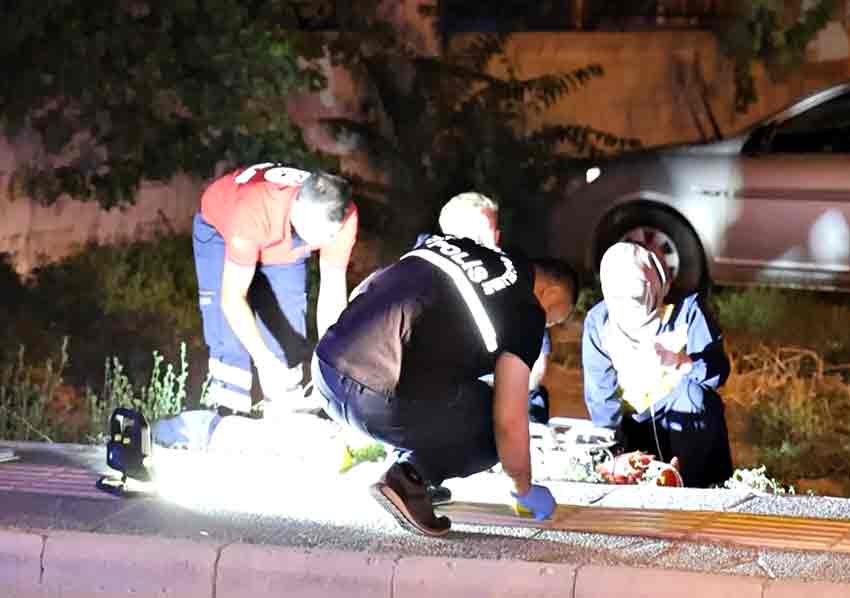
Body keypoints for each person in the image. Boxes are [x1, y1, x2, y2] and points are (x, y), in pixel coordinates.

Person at [312, 233, 577, 536]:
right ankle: (410, 477)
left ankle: (417, 474)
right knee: (491, 422)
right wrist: (523, 488)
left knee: (446, 381)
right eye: (554, 319)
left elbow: (370, 288)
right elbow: (509, 419)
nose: (547, 326)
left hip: (326, 373)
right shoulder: (527, 310)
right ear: (551, 292)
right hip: (381, 398)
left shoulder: (451, 245)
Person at [193, 162, 358, 416]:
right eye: (318, 235)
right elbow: (232, 299)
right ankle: (228, 409)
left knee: (287, 333)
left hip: (282, 239)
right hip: (222, 230)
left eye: (329, 236)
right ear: (299, 210)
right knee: (229, 336)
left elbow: (332, 294)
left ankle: (286, 409)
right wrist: (264, 359)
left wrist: (334, 364)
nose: (324, 243)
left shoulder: (342, 218)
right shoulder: (252, 211)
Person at [582, 241, 733, 488]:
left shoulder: (687, 310)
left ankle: (691, 486)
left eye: (639, 299)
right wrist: (614, 453)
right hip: (635, 424)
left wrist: (681, 362)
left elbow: (717, 373)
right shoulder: (599, 322)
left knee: (692, 395)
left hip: (689, 426)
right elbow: (601, 396)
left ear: (656, 283)